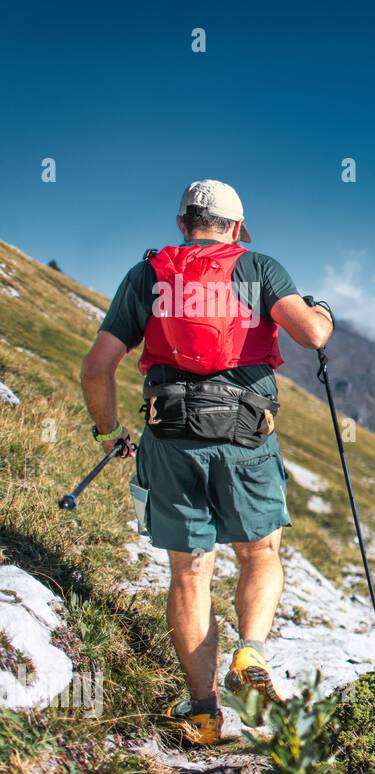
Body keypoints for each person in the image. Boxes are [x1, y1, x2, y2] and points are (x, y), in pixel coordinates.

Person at [79, 180, 335, 744]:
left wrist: (109, 433)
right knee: (260, 552)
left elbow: (97, 368)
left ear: (182, 223)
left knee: (190, 571)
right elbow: (312, 334)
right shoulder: (259, 268)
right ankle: (250, 653)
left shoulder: (148, 275)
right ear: (237, 229)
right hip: (246, 434)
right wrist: (323, 312)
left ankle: (202, 711)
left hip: (170, 435)